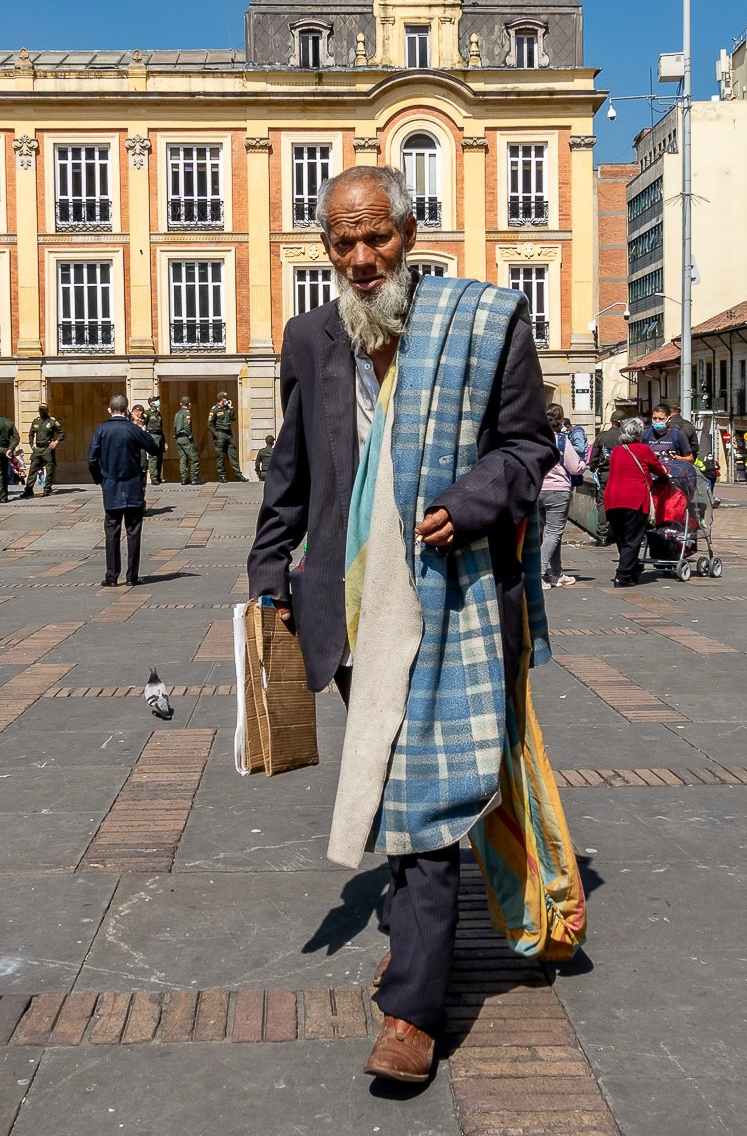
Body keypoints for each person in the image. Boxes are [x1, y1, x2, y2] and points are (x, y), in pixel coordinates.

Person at [247, 165, 564, 1087]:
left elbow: (528, 447)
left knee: (415, 797)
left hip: (448, 596)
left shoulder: (478, 323)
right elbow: (292, 467)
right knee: (395, 781)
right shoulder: (312, 337)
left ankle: (412, 1011)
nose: (359, 257)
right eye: (341, 242)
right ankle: (418, 946)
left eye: (375, 236)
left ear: (410, 233)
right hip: (349, 604)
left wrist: (471, 498)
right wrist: (269, 574)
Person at [88, 394, 162, 586]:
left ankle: (112, 576)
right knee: (133, 531)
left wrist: (100, 480)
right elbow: (154, 448)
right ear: (127, 409)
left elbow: (92, 459)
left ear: (109, 409)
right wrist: (139, 426)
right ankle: (132, 577)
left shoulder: (101, 429)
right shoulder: (133, 429)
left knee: (112, 530)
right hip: (133, 485)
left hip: (111, 485)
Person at [601, 418, 662, 586]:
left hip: (612, 499)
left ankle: (632, 569)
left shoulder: (617, 451)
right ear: (639, 433)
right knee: (633, 539)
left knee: (622, 539)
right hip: (634, 499)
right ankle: (622, 575)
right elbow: (659, 469)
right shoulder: (643, 449)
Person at [538, 403, 585, 588]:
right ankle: (540, 573)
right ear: (560, 421)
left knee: (550, 533)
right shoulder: (562, 441)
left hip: (538, 489)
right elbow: (575, 467)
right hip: (558, 490)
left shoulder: (537, 441)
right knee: (553, 532)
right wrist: (583, 465)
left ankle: (557, 573)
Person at [640, 403, 694, 495]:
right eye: (654, 418)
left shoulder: (678, 434)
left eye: (661, 419)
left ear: (669, 419)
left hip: (671, 483)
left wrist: (677, 458)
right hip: (651, 482)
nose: (657, 421)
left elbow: (690, 459)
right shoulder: (646, 434)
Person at [24, 404, 64, 498]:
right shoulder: (36, 421)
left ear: (47, 411)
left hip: (48, 448)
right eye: (41, 411)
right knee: (33, 468)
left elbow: (62, 432)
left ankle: (47, 488)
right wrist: (31, 444)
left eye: (44, 411)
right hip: (38, 448)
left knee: (50, 469)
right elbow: (31, 434)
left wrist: (56, 441)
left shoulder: (52, 421)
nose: (42, 412)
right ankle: (29, 489)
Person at [209, 392, 239, 481]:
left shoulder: (227, 409)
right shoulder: (215, 410)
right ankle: (222, 475)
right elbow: (210, 424)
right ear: (222, 399)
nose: (228, 400)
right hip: (220, 433)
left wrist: (231, 408)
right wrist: (216, 434)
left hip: (228, 434)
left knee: (232, 453)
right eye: (226, 398)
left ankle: (238, 474)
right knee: (220, 455)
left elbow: (233, 418)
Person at [173, 396, 200, 485]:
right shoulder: (186, 413)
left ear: (181, 403)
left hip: (178, 438)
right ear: (189, 404)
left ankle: (184, 478)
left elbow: (174, 426)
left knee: (183, 459)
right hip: (185, 437)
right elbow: (187, 426)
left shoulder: (177, 413)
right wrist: (190, 436)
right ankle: (194, 478)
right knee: (194, 458)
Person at [144, 397, 165, 484]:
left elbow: (161, 428)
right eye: (156, 401)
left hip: (159, 436)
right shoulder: (147, 413)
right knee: (153, 457)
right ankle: (153, 478)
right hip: (152, 435)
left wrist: (164, 441)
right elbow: (142, 425)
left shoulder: (158, 413)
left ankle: (158, 476)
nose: (158, 402)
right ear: (151, 403)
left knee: (159, 457)